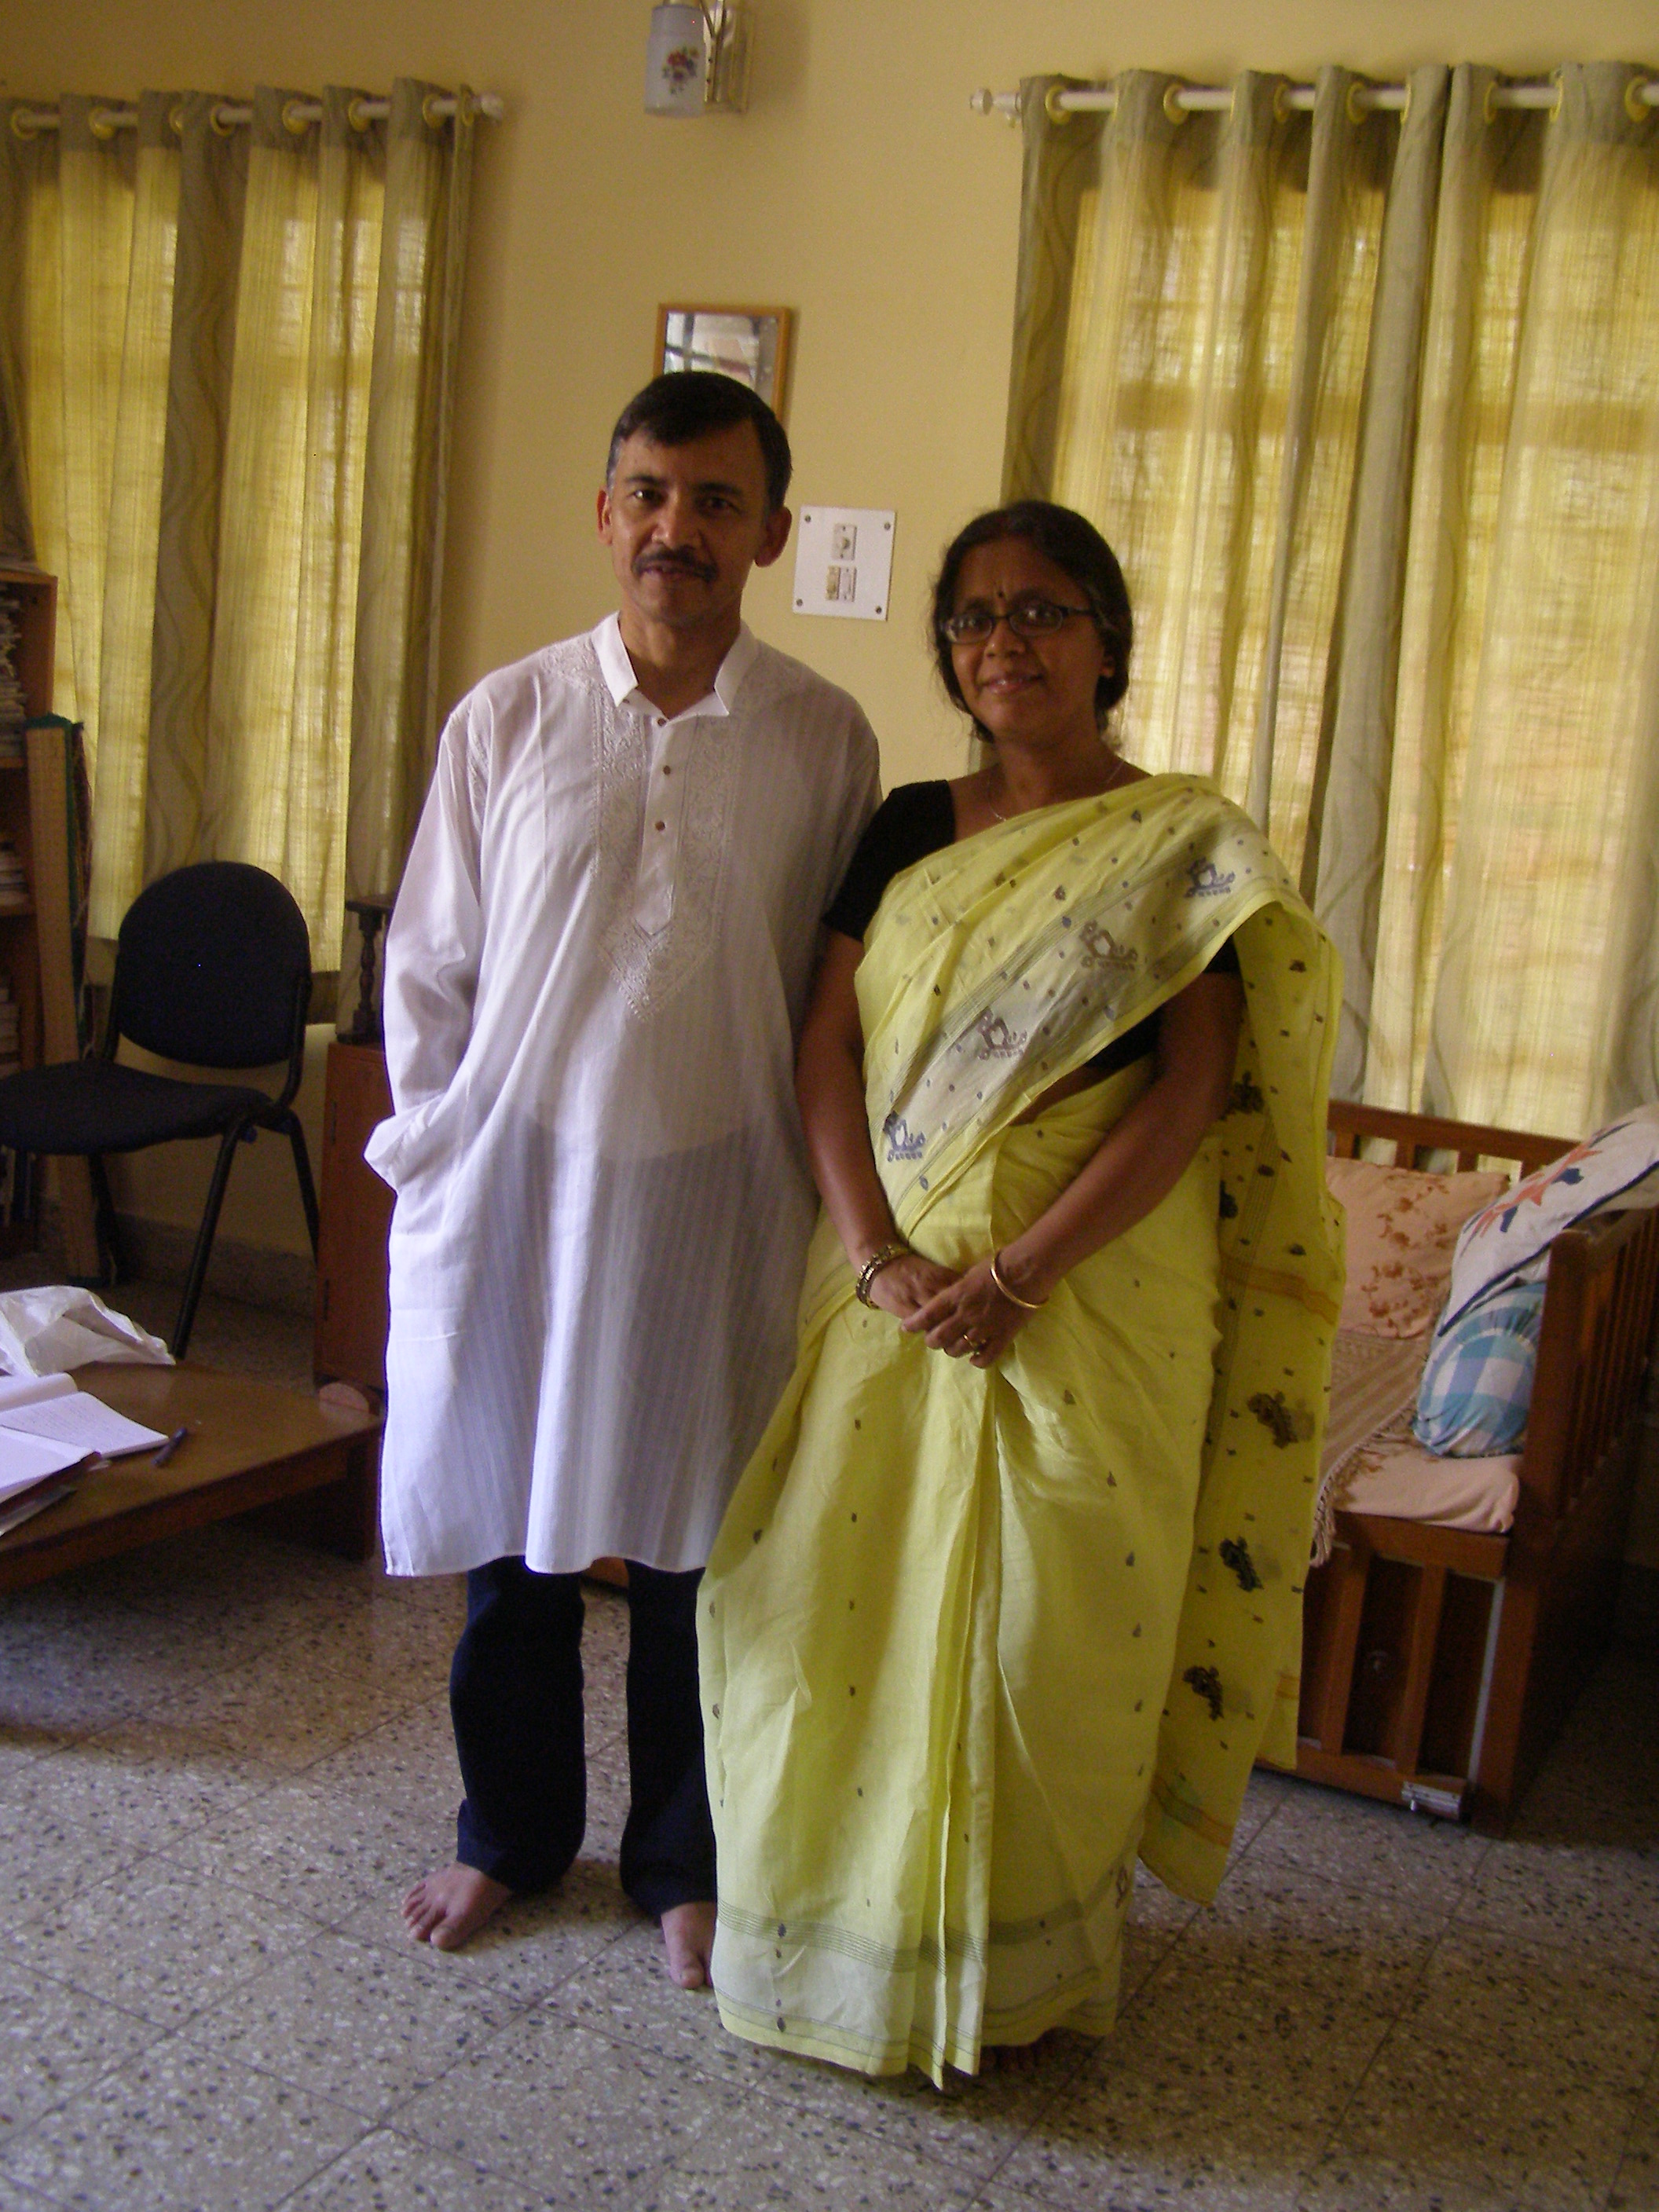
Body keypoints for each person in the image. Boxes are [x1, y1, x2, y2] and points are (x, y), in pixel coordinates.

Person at [698, 500, 1343, 2078]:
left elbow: (1192, 1088)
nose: (1006, 643)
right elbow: (826, 1043)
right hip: (887, 1294)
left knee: (1047, 1642)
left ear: (1107, 641)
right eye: (976, 617)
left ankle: (1011, 1977)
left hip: (1086, 1304)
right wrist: (880, 1254)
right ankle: (831, 1953)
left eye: (1044, 611)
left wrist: (1020, 1273)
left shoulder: (1182, 846)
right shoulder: (909, 825)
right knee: (819, 1616)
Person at [367, 372, 880, 1987]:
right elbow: (429, 965)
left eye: (718, 502)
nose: (679, 530)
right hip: (519, 1199)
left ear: (772, 533)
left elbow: (835, 991)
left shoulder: (825, 738)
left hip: (718, 1209)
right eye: (651, 495)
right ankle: (508, 1838)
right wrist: (440, 1148)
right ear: (605, 515)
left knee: (695, 1561)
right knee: (511, 1552)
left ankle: (683, 1863)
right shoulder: (507, 716)